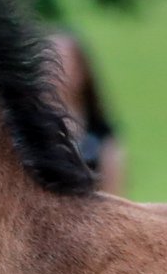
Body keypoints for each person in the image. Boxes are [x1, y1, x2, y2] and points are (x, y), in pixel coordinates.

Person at [46, 30, 126, 195]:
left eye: (64, 61)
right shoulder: (28, 130)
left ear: (82, 71)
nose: (55, 71)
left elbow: (115, 192)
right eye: (49, 61)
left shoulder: (100, 137)